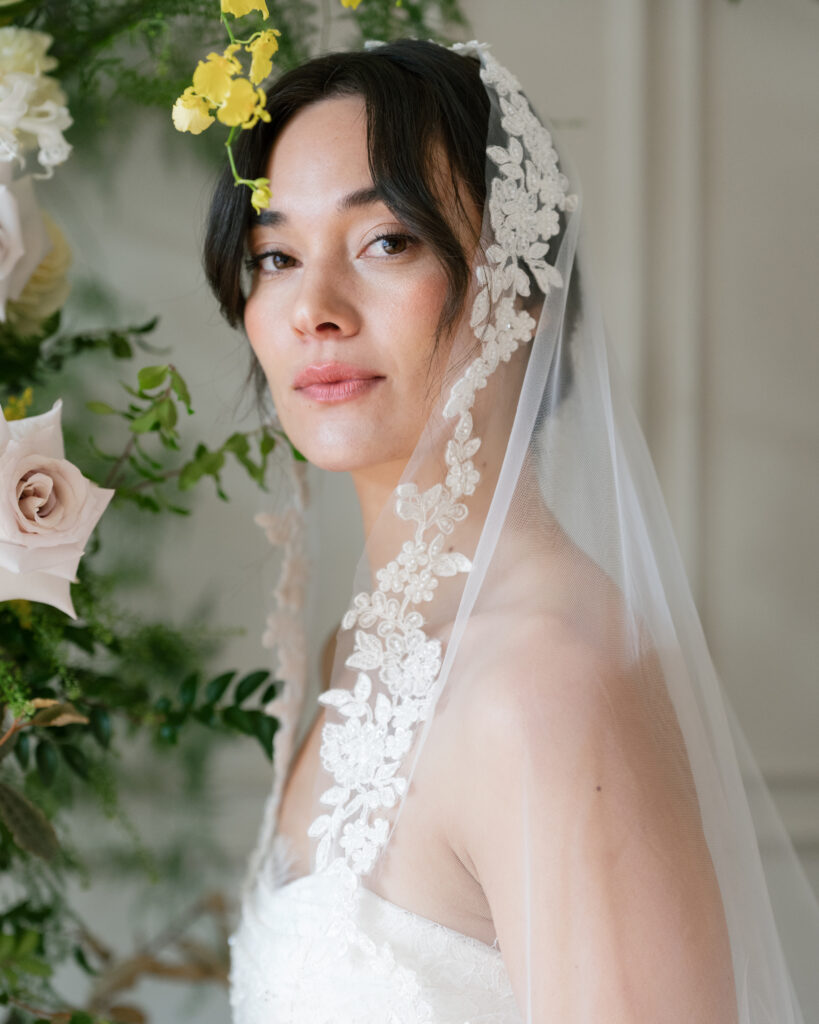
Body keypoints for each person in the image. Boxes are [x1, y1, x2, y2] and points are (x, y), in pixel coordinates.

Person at [204, 38, 818, 1024]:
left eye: (386, 241)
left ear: (523, 291)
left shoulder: (544, 683)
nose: (313, 308)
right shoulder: (359, 647)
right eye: (276, 257)